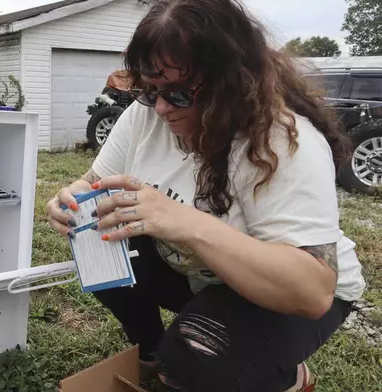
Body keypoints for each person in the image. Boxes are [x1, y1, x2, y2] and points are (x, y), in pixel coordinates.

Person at [45, 0, 366, 391]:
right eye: (150, 90)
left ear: (233, 80)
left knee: (195, 353)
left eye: (180, 93)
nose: (161, 107)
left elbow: (312, 291)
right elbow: (94, 182)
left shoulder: (279, 141)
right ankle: (149, 351)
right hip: (203, 274)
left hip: (289, 291)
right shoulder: (144, 115)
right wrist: (74, 199)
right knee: (97, 238)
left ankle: (286, 377)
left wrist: (185, 222)